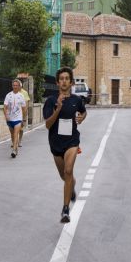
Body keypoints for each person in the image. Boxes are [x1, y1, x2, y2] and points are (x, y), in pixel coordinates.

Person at [43, 67, 87, 223]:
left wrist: (82, 117)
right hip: (55, 143)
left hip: (72, 141)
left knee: (68, 170)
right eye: (61, 78)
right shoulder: (50, 101)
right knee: (64, 176)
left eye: (67, 78)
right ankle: (72, 184)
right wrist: (58, 108)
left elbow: (83, 111)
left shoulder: (76, 100)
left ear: (71, 82)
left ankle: (65, 209)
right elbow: (48, 125)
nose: (64, 81)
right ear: (57, 82)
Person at [4, 79, 26, 158]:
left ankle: (13, 150)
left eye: (17, 85)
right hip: (10, 119)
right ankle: (15, 148)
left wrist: (23, 119)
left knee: (16, 133)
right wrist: (6, 116)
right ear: (12, 86)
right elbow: (5, 107)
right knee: (12, 135)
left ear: (19, 86)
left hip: (18, 119)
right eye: (14, 85)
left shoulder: (21, 96)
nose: (15, 87)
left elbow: (24, 108)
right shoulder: (8, 95)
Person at [19, 80, 30, 148]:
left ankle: (19, 141)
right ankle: (14, 141)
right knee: (13, 128)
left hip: (22, 113)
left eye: (18, 85)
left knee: (21, 129)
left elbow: (26, 104)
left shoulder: (24, 93)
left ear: (21, 86)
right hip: (14, 114)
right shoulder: (13, 92)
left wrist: (25, 116)